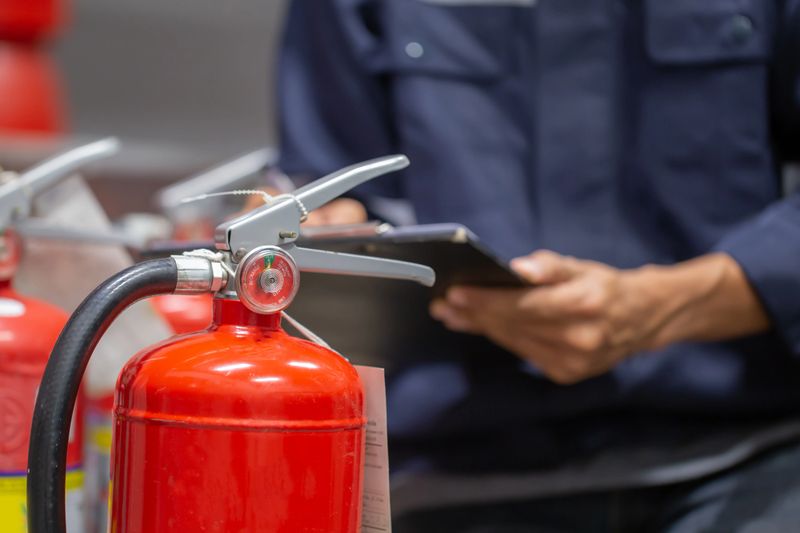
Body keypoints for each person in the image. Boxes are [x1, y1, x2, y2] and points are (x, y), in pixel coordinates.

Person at [276, 1, 800, 531]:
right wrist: (314, 227)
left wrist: (671, 306)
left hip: (743, 448)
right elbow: (330, 179)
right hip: (450, 466)